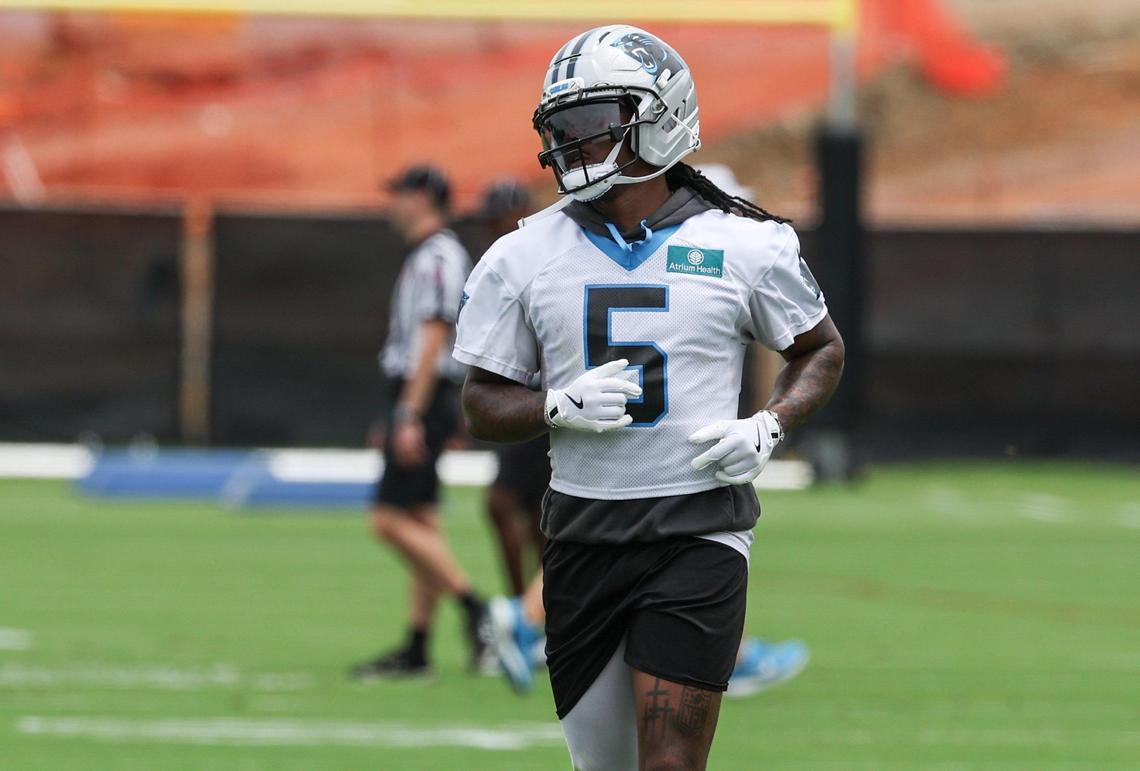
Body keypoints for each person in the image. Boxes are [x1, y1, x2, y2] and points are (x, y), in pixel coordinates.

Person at [454, 26, 844, 770]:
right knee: (605, 763)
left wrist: (769, 425)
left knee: (668, 763)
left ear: (660, 117)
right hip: (580, 537)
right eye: (560, 129)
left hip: (698, 528)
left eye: (590, 125)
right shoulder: (524, 254)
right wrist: (554, 406)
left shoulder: (745, 244)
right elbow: (480, 401)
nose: (571, 145)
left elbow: (819, 348)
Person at [351, 164, 489, 680]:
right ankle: (417, 646)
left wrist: (409, 412)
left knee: (388, 520)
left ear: (426, 198)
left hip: (423, 394)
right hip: (423, 395)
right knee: (423, 523)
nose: (394, 204)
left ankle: (477, 608)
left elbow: (433, 338)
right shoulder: (431, 256)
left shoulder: (438, 257)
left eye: (401, 194)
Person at [473, 180, 551, 596]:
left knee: (506, 505)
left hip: (542, 399)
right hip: (519, 397)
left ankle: (521, 613)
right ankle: (534, 614)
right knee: (532, 515)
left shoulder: (539, 260)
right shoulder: (498, 265)